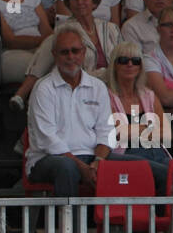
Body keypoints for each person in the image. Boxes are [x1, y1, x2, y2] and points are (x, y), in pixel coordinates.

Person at [25, 22, 117, 196]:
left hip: (92, 157)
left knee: (145, 168)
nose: (70, 56)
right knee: (67, 168)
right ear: (54, 55)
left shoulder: (97, 86)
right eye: (64, 52)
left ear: (83, 53)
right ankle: (69, 224)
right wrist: (80, 165)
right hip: (48, 159)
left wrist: (98, 161)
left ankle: (127, 222)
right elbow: (47, 139)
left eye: (75, 51)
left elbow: (107, 132)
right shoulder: (44, 87)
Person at [15, 0, 122, 108]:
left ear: (94, 2)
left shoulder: (111, 28)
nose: (79, 2)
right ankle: (21, 94)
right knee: (54, 40)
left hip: (114, 89)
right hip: (82, 91)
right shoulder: (65, 30)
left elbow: (122, 60)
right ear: (68, 3)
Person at [104, 38, 171, 192]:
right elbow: (117, 133)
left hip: (156, 151)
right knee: (164, 173)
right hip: (125, 153)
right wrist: (148, 128)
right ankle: (159, 216)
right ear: (114, 65)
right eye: (123, 60)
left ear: (141, 67)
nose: (130, 64)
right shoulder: (106, 96)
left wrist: (133, 130)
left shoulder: (149, 95)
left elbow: (167, 134)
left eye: (135, 61)